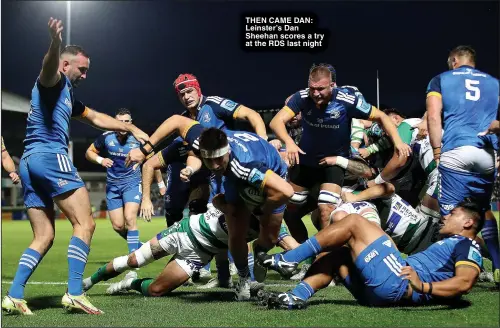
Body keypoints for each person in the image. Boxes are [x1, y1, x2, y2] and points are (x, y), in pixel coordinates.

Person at [1, 18, 149, 316]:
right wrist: (55, 42)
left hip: (29, 163)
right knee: (86, 223)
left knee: (44, 236)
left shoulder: (67, 94)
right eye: (81, 69)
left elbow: (94, 117)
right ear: (65, 66)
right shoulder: (52, 81)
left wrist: (131, 129)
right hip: (49, 157)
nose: (85, 74)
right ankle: (75, 293)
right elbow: (48, 66)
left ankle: (14, 295)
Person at [125, 115, 294, 300]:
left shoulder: (242, 165)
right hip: (236, 179)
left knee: (269, 238)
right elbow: (176, 120)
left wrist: (261, 209)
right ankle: (245, 278)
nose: (213, 166)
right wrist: (145, 149)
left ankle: (261, 253)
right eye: (208, 160)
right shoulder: (205, 141)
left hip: (272, 178)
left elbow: (286, 192)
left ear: (227, 151)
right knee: (235, 229)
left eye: (218, 160)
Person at [259, 201, 484, 309]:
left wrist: (424, 288)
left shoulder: (467, 245)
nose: (445, 216)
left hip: (397, 283)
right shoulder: (456, 243)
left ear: (468, 222)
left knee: (355, 223)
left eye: (453, 213)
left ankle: (289, 259)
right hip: (382, 291)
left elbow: (464, 282)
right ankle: (295, 297)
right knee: (338, 254)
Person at [269, 63, 411, 231]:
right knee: (290, 211)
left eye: (320, 89)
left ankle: (326, 255)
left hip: (332, 163)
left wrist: (398, 141)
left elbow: (381, 116)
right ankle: (304, 254)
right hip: (306, 161)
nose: (315, 93)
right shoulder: (301, 97)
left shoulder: (347, 101)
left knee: (326, 210)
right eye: (312, 88)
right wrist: (290, 142)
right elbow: (276, 121)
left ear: (332, 85)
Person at [82, 202, 299, 298]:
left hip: (200, 253)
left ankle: (130, 283)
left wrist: (293, 261)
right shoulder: (241, 199)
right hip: (184, 233)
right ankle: (87, 283)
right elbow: (219, 201)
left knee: (156, 291)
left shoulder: (274, 224)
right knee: (133, 261)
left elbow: (287, 244)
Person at [426, 45, 499, 285]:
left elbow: (434, 117)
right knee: (482, 211)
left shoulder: (440, 79)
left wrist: (437, 151)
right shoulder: (493, 82)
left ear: (454, 60)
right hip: (486, 153)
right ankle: (498, 266)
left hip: (456, 150)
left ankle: (452, 270)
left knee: (451, 214)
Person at [86, 108, 157, 254]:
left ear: (131, 123)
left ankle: (133, 259)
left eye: (127, 122)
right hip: (112, 186)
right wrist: (100, 159)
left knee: (130, 218)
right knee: (118, 226)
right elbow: (89, 153)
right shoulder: (106, 137)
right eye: (120, 122)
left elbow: (153, 161)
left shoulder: (139, 139)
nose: (124, 125)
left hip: (132, 183)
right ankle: (139, 246)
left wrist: (161, 184)